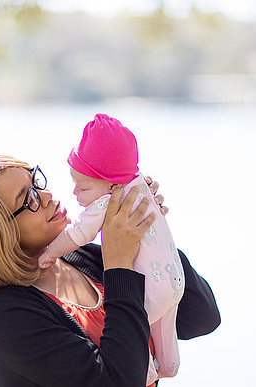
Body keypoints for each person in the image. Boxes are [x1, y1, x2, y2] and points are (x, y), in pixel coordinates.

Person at [0, 154, 220, 387]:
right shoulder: (2, 316)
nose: (45, 196)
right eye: (27, 199)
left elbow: (201, 317)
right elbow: (117, 381)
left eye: (37, 182)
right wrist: (119, 263)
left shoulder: (82, 258)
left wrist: (152, 238)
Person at [36, 114, 185, 384]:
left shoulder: (109, 202)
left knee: (131, 332)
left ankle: (148, 372)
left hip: (151, 288)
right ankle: (169, 364)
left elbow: (78, 233)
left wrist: (49, 253)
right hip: (174, 277)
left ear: (111, 184)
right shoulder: (140, 184)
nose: (74, 194)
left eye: (83, 187)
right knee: (165, 328)